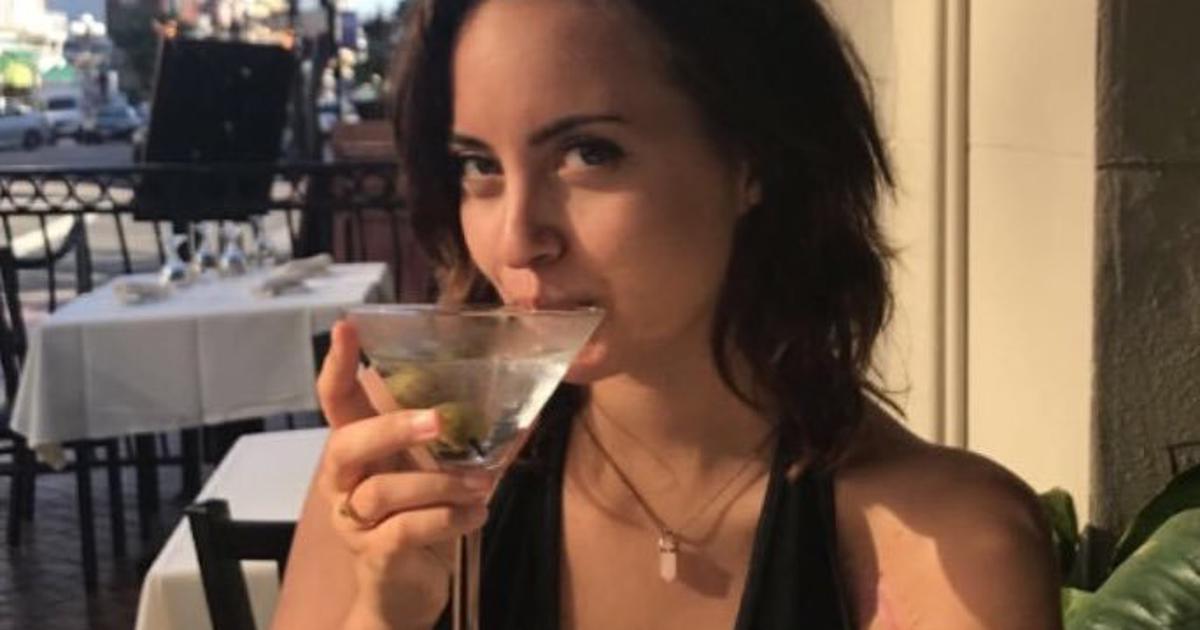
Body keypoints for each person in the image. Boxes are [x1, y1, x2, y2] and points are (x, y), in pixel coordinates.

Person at [275, 0, 1062, 628]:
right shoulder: (407, 467)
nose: (515, 241)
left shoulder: (943, 544)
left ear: (752, 159)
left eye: (589, 153)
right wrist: (385, 614)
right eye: (480, 165)